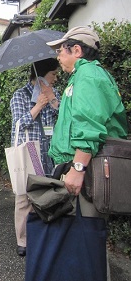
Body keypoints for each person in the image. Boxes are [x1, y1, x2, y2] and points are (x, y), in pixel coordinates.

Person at [44, 26, 128, 276]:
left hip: (88, 168)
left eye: (61, 51)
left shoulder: (88, 76)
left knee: (88, 236)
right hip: (83, 166)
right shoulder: (82, 76)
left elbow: (89, 126)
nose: (58, 57)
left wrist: (78, 168)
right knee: (83, 237)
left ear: (77, 50)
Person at [10, 58, 60, 256]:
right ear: (41, 77)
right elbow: (19, 124)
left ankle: (45, 236)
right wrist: (38, 105)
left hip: (50, 151)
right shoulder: (20, 95)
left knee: (49, 194)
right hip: (30, 150)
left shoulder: (53, 94)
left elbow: (64, 117)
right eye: (53, 74)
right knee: (24, 198)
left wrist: (53, 99)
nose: (55, 78)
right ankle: (23, 240)